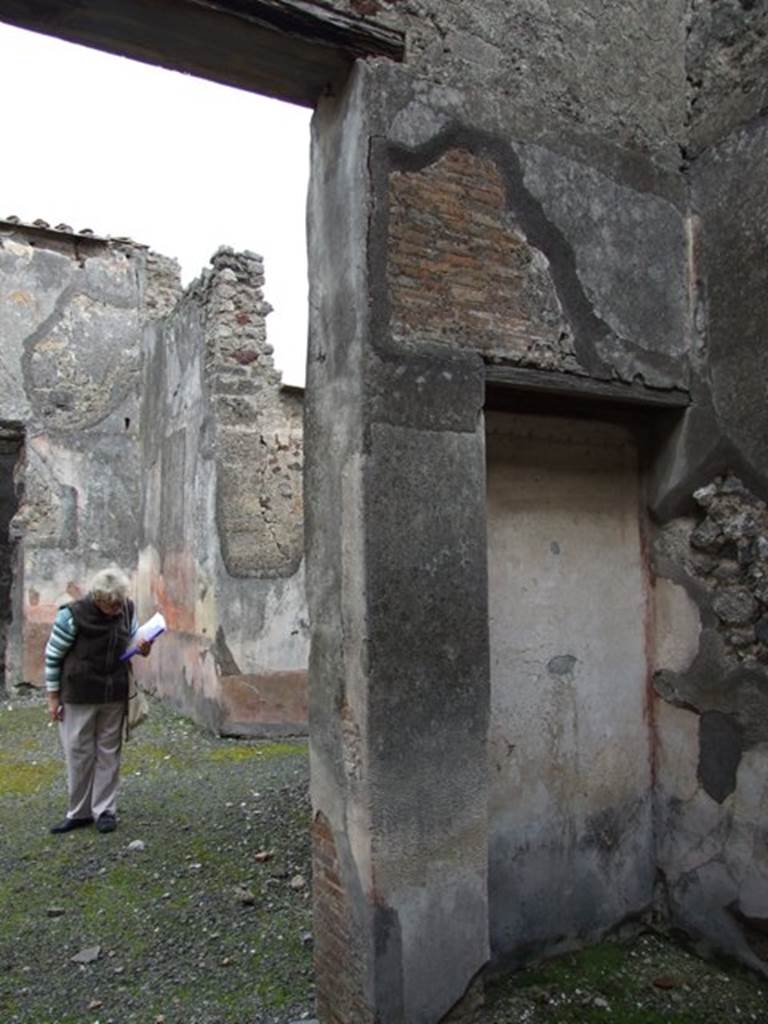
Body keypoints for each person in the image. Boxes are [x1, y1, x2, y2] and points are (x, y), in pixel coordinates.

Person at [45, 568, 152, 835]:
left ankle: (104, 810)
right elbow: (52, 656)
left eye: (119, 603)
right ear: (98, 598)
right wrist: (53, 697)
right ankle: (78, 812)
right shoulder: (71, 616)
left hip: (114, 692)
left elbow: (135, 635)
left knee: (109, 752)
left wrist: (143, 645)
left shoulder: (126, 608)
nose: (117, 609)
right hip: (79, 693)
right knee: (78, 753)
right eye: (111, 604)